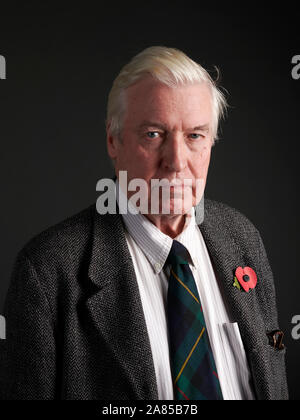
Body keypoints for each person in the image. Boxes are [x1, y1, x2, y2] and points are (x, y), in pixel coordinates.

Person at [0, 46, 288, 400]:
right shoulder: (47, 273)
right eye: (154, 134)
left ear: (211, 143)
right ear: (113, 140)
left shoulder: (243, 238)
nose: (176, 162)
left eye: (195, 136)